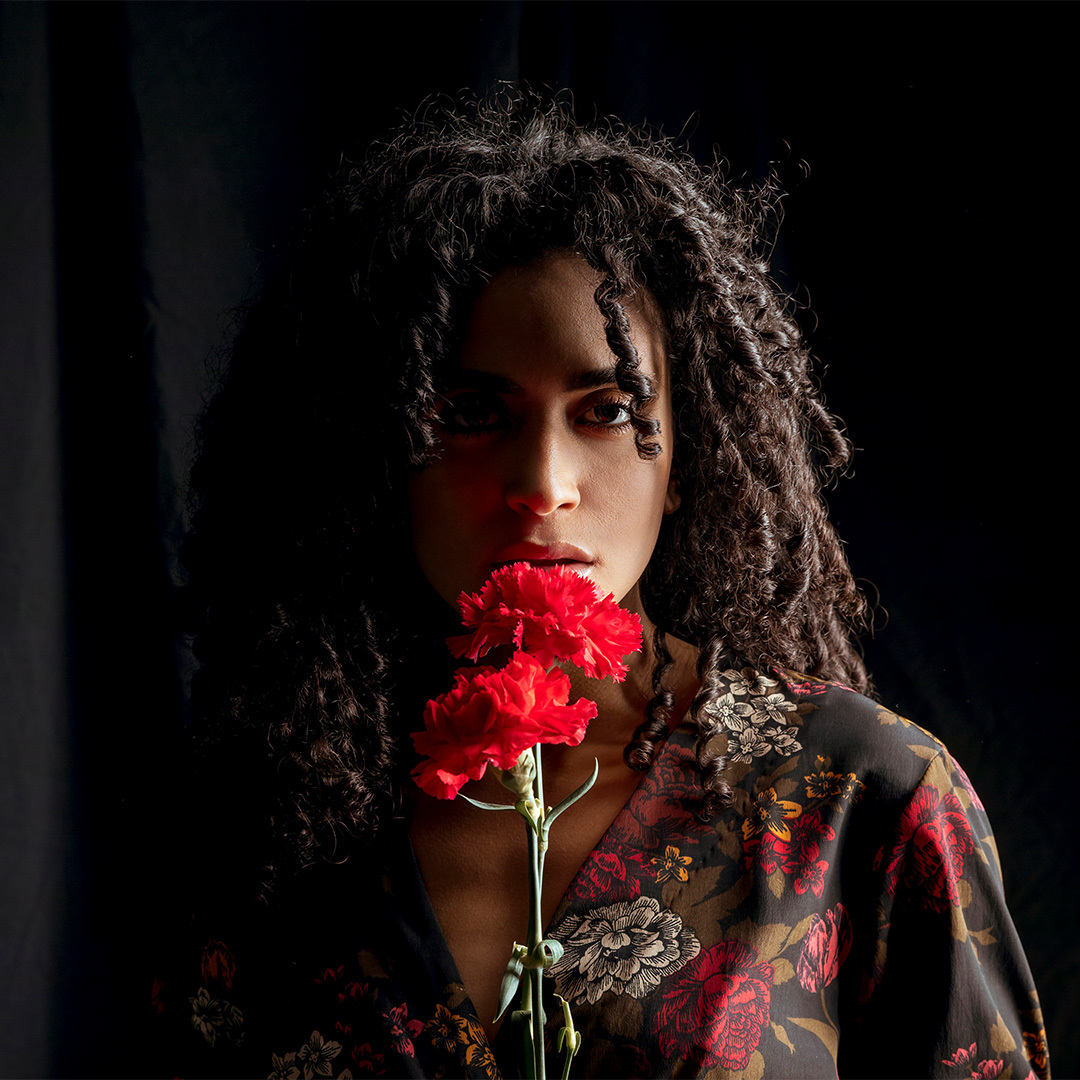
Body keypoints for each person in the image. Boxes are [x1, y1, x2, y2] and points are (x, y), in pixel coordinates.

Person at [153, 91, 1049, 1078]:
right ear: (376, 457)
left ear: (687, 461)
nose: (543, 485)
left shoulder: (858, 799)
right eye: (469, 412)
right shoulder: (271, 832)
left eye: (608, 409)